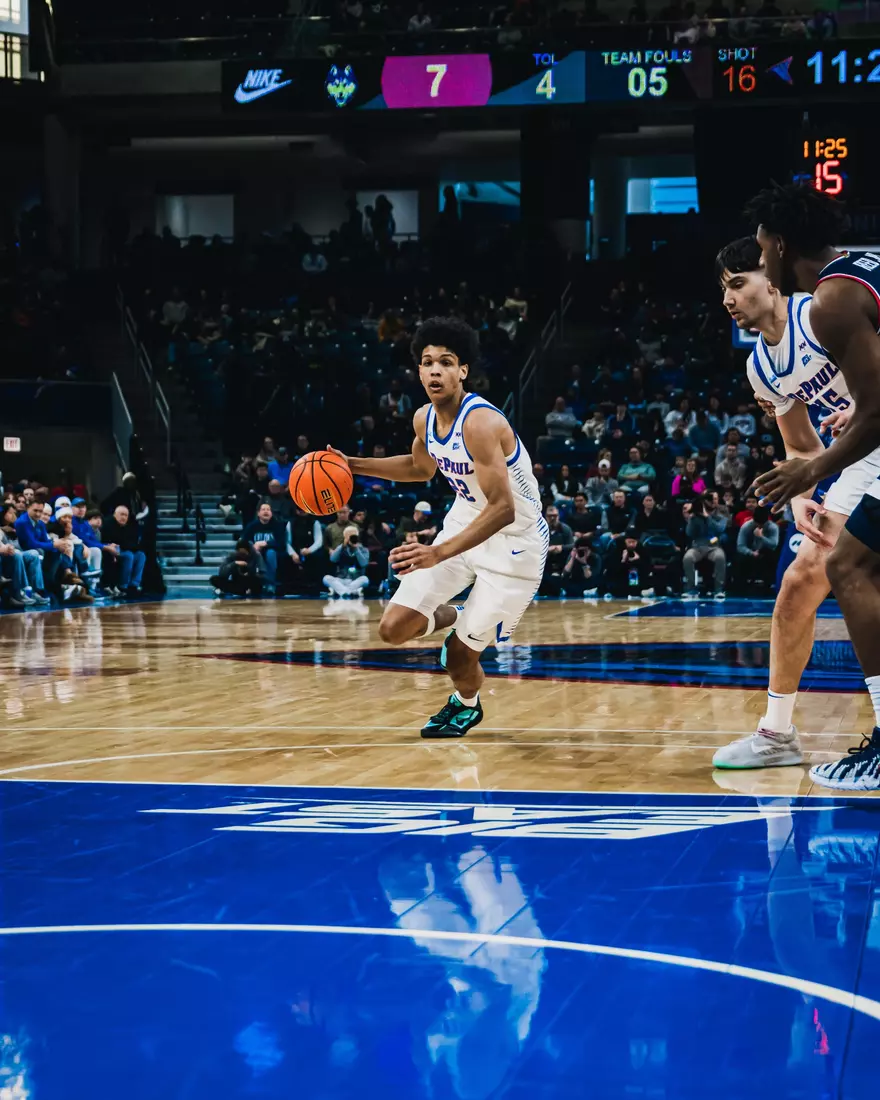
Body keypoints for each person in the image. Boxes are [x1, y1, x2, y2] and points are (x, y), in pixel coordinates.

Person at [718, 213, 880, 786]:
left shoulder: (821, 316)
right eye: (724, 289)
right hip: (851, 461)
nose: (730, 297)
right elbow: (799, 445)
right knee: (798, 587)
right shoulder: (760, 367)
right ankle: (777, 731)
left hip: (868, 443)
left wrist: (859, 415)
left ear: (771, 277)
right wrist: (800, 502)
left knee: (838, 575)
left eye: (739, 282)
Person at [330, 316, 548, 738]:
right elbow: (419, 467)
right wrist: (351, 465)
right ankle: (460, 614)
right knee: (392, 629)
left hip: (515, 545)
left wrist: (436, 552)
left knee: (458, 658)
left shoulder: (481, 423)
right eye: (427, 362)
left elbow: (502, 509)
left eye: (446, 362)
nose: (434, 371)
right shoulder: (423, 419)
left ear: (463, 370)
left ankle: (466, 705)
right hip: (466, 521)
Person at [241, 501, 293, 596]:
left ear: (271, 513)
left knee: (271, 553)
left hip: (273, 552)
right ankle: (250, 585)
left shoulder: (277, 525)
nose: (266, 512)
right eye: (263, 509)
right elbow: (244, 541)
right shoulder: (252, 526)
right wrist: (253, 546)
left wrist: (264, 543)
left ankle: (270, 584)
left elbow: (281, 542)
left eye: (268, 510)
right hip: (255, 552)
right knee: (251, 554)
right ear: (258, 513)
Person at [682, 491, 727, 600]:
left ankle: (718, 590)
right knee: (688, 558)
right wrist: (691, 519)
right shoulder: (695, 516)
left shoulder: (721, 514)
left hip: (714, 547)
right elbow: (689, 533)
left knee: (720, 557)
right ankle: (691, 589)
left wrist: (707, 517)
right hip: (697, 546)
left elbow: (719, 529)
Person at [101, 505, 147, 596]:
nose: (124, 517)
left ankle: (134, 585)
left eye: (126, 515)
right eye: (121, 514)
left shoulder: (128, 526)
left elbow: (131, 542)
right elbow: (113, 541)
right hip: (111, 550)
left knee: (141, 555)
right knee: (129, 555)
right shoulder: (108, 523)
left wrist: (129, 546)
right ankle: (123, 586)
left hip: (125, 549)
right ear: (115, 514)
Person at [323, 525, 370, 598]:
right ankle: (352, 591)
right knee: (326, 578)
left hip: (355, 580)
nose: (351, 538)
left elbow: (364, 563)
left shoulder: (363, 549)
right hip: (340, 579)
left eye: (353, 535)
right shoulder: (340, 548)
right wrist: (342, 546)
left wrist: (356, 549)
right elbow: (333, 559)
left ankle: (340, 591)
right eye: (349, 536)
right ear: (345, 537)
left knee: (365, 579)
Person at [736, 506, 780, 586]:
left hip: (765, 552)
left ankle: (769, 584)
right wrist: (751, 553)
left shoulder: (773, 527)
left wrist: (761, 537)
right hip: (750, 551)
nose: (760, 526)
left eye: (762, 524)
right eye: (758, 523)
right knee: (739, 558)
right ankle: (740, 586)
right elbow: (740, 546)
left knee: (772, 556)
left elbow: (774, 544)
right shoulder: (746, 527)